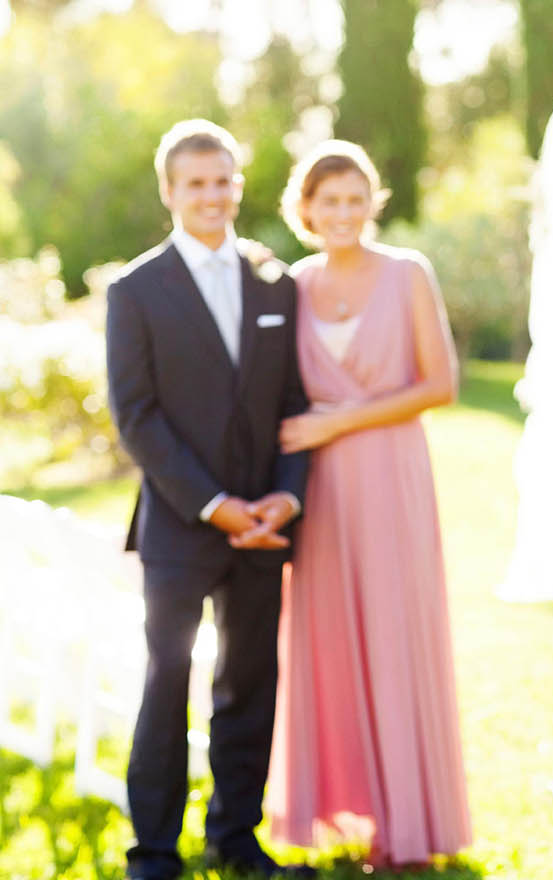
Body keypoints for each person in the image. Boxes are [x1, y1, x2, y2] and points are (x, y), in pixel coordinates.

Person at [106, 119, 313, 879]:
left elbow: (295, 398)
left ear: (238, 184)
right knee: (166, 688)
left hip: (264, 525)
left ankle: (236, 839)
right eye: (195, 183)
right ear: (170, 191)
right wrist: (215, 504)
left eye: (222, 180)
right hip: (180, 529)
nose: (211, 196)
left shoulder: (275, 280)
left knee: (250, 685)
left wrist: (284, 501)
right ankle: (153, 852)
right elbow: (137, 416)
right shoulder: (135, 290)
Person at [264, 140, 471, 868]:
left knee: (391, 633)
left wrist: (336, 421)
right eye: (330, 202)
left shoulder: (408, 274)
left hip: (390, 476)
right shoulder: (290, 284)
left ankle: (406, 822)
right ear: (306, 209)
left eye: (357, 199)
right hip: (316, 490)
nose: (344, 213)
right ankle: (339, 809)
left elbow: (441, 384)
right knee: (327, 641)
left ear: (372, 203)